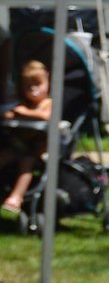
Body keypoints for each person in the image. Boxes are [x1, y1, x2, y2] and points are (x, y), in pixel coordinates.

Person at [1, 60, 53, 216]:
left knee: (27, 163)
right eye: (28, 86)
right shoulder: (23, 104)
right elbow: (8, 114)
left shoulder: (47, 103)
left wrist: (22, 113)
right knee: (4, 155)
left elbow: (45, 116)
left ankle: (16, 197)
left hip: (36, 150)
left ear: (47, 81)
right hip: (19, 146)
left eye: (38, 84)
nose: (33, 90)